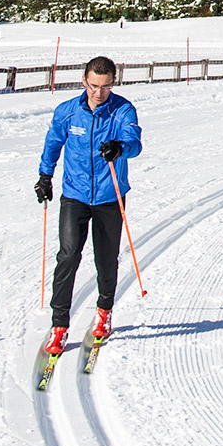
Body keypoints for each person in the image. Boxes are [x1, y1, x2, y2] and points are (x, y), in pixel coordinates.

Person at [35, 56, 143, 355]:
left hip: (110, 196)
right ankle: (59, 325)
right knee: (68, 256)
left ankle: (104, 312)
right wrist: (45, 176)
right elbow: (53, 143)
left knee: (106, 259)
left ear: (113, 83)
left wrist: (120, 147)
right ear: (84, 81)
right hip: (75, 195)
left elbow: (135, 142)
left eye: (106, 87)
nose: (99, 93)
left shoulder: (122, 109)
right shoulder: (67, 112)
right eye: (94, 86)